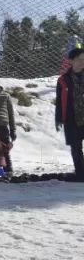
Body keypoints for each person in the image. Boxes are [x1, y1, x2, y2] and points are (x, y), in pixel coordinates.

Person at [55, 46, 84, 180]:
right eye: (79, 59)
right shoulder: (62, 80)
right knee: (75, 148)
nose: (82, 62)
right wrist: (58, 118)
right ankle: (80, 174)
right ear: (71, 61)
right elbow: (60, 101)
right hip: (71, 118)